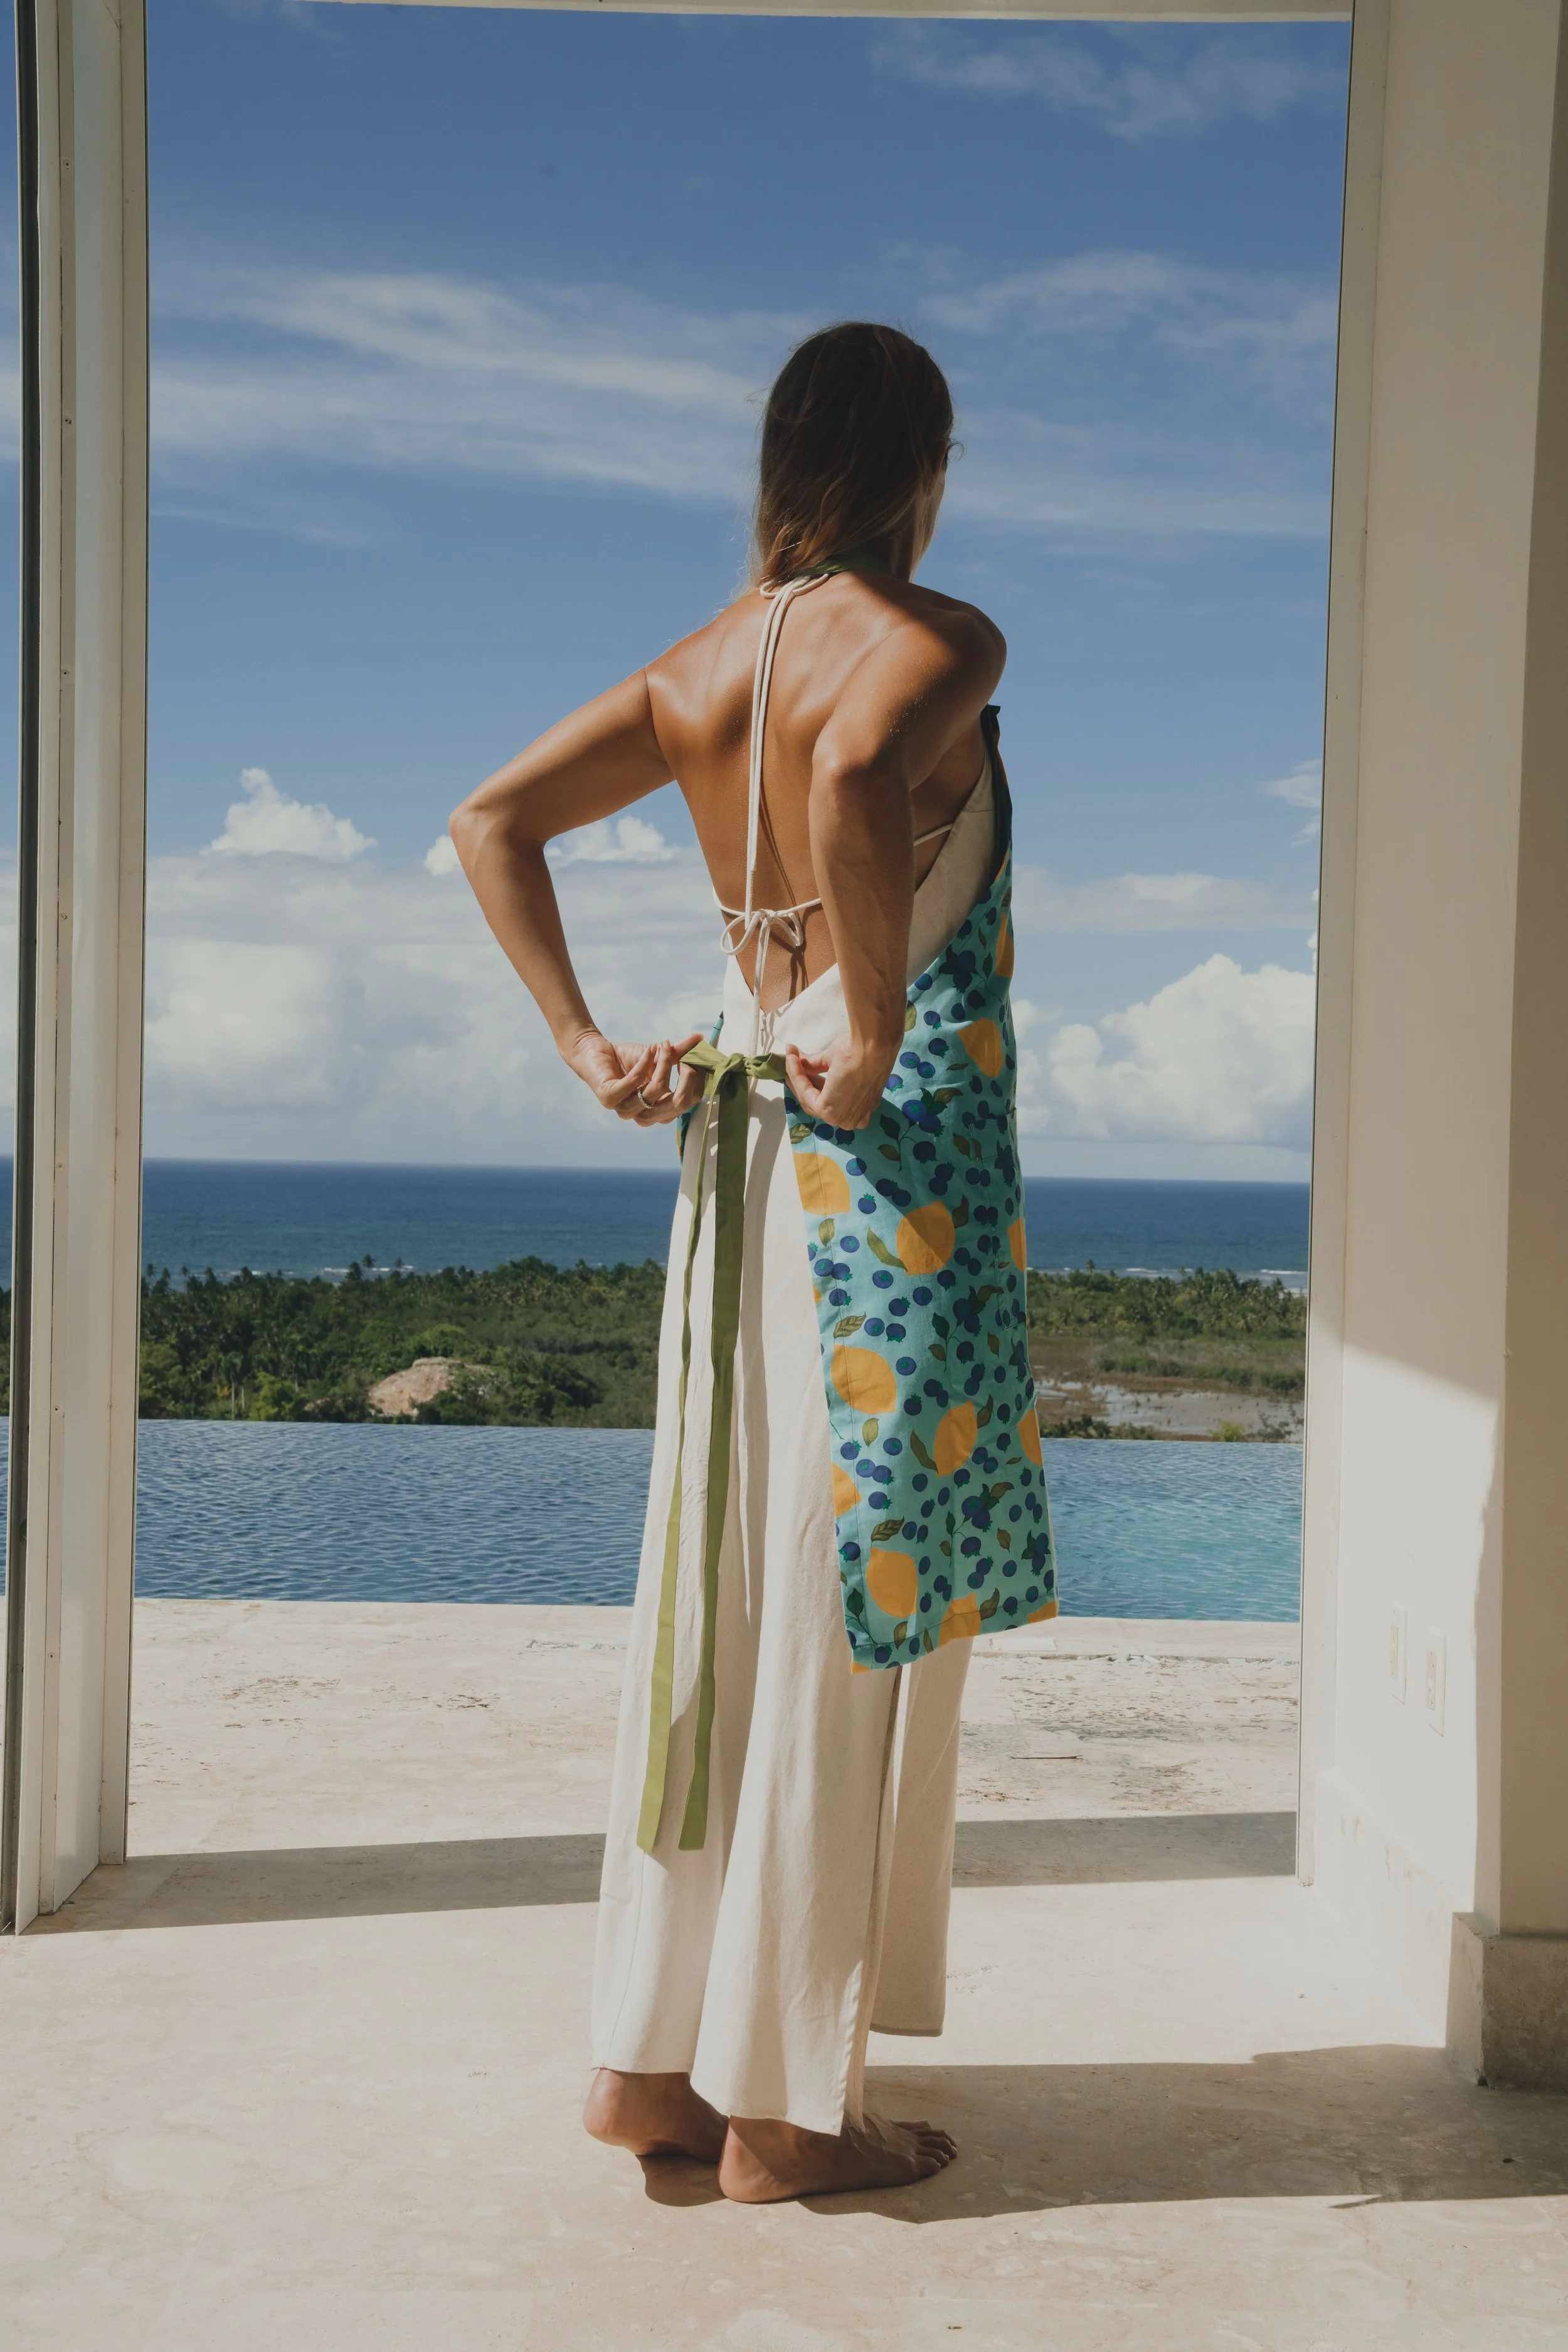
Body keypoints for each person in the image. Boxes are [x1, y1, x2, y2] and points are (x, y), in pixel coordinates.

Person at [452, 321, 1050, 2203]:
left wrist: (582, 1041)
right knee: (838, 1590)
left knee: (714, 1577)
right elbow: (867, 764)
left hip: (727, 1146)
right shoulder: (938, 639)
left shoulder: (701, 666)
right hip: (880, 1173)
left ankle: (655, 2062)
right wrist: (867, 1019)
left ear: (776, 465)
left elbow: (491, 822)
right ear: (924, 466)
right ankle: (790, 2109)